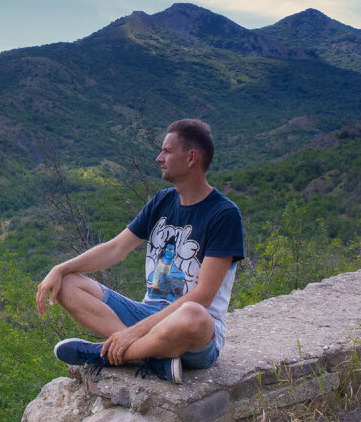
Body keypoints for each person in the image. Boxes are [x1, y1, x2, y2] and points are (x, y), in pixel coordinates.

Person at [36, 119, 244, 383]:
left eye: (167, 151)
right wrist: (60, 268)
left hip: (195, 334)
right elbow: (115, 249)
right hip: (148, 314)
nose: (159, 158)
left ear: (191, 157)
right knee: (66, 284)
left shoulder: (224, 215)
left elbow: (202, 296)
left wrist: (133, 333)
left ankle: (109, 354)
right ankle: (150, 356)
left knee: (193, 314)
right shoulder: (162, 201)